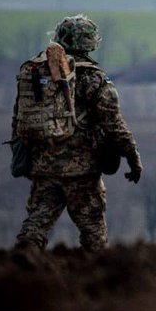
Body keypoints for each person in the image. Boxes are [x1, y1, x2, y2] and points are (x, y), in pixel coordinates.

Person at [14, 15, 141, 251]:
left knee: (35, 227)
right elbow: (114, 125)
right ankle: (95, 282)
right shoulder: (93, 78)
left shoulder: (36, 72)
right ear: (90, 43)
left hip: (44, 167)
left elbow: (20, 117)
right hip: (82, 171)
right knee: (93, 234)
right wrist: (134, 159)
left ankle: (17, 270)